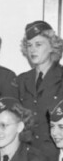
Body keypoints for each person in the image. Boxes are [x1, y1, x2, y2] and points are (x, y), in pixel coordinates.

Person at [17, 20, 63, 150]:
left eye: (38, 44)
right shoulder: (21, 80)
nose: (32, 50)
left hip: (55, 154)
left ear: (52, 46)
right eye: (29, 45)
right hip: (28, 154)